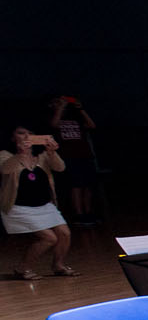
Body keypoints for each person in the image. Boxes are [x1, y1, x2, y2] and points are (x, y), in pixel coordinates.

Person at [3, 126, 74, 279]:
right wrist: (20, 154)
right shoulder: (5, 155)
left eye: (31, 133)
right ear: (13, 138)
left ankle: (58, 265)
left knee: (64, 233)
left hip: (44, 205)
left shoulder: (42, 155)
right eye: (22, 133)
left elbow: (60, 168)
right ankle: (23, 268)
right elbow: (5, 170)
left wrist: (52, 152)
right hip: (18, 207)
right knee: (49, 238)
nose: (27, 136)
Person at [48, 95, 98, 225]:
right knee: (76, 185)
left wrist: (80, 108)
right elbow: (54, 124)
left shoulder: (75, 117)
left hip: (84, 155)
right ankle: (79, 214)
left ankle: (88, 212)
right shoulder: (53, 118)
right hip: (69, 157)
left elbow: (92, 125)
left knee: (88, 185)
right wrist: (60, 107)